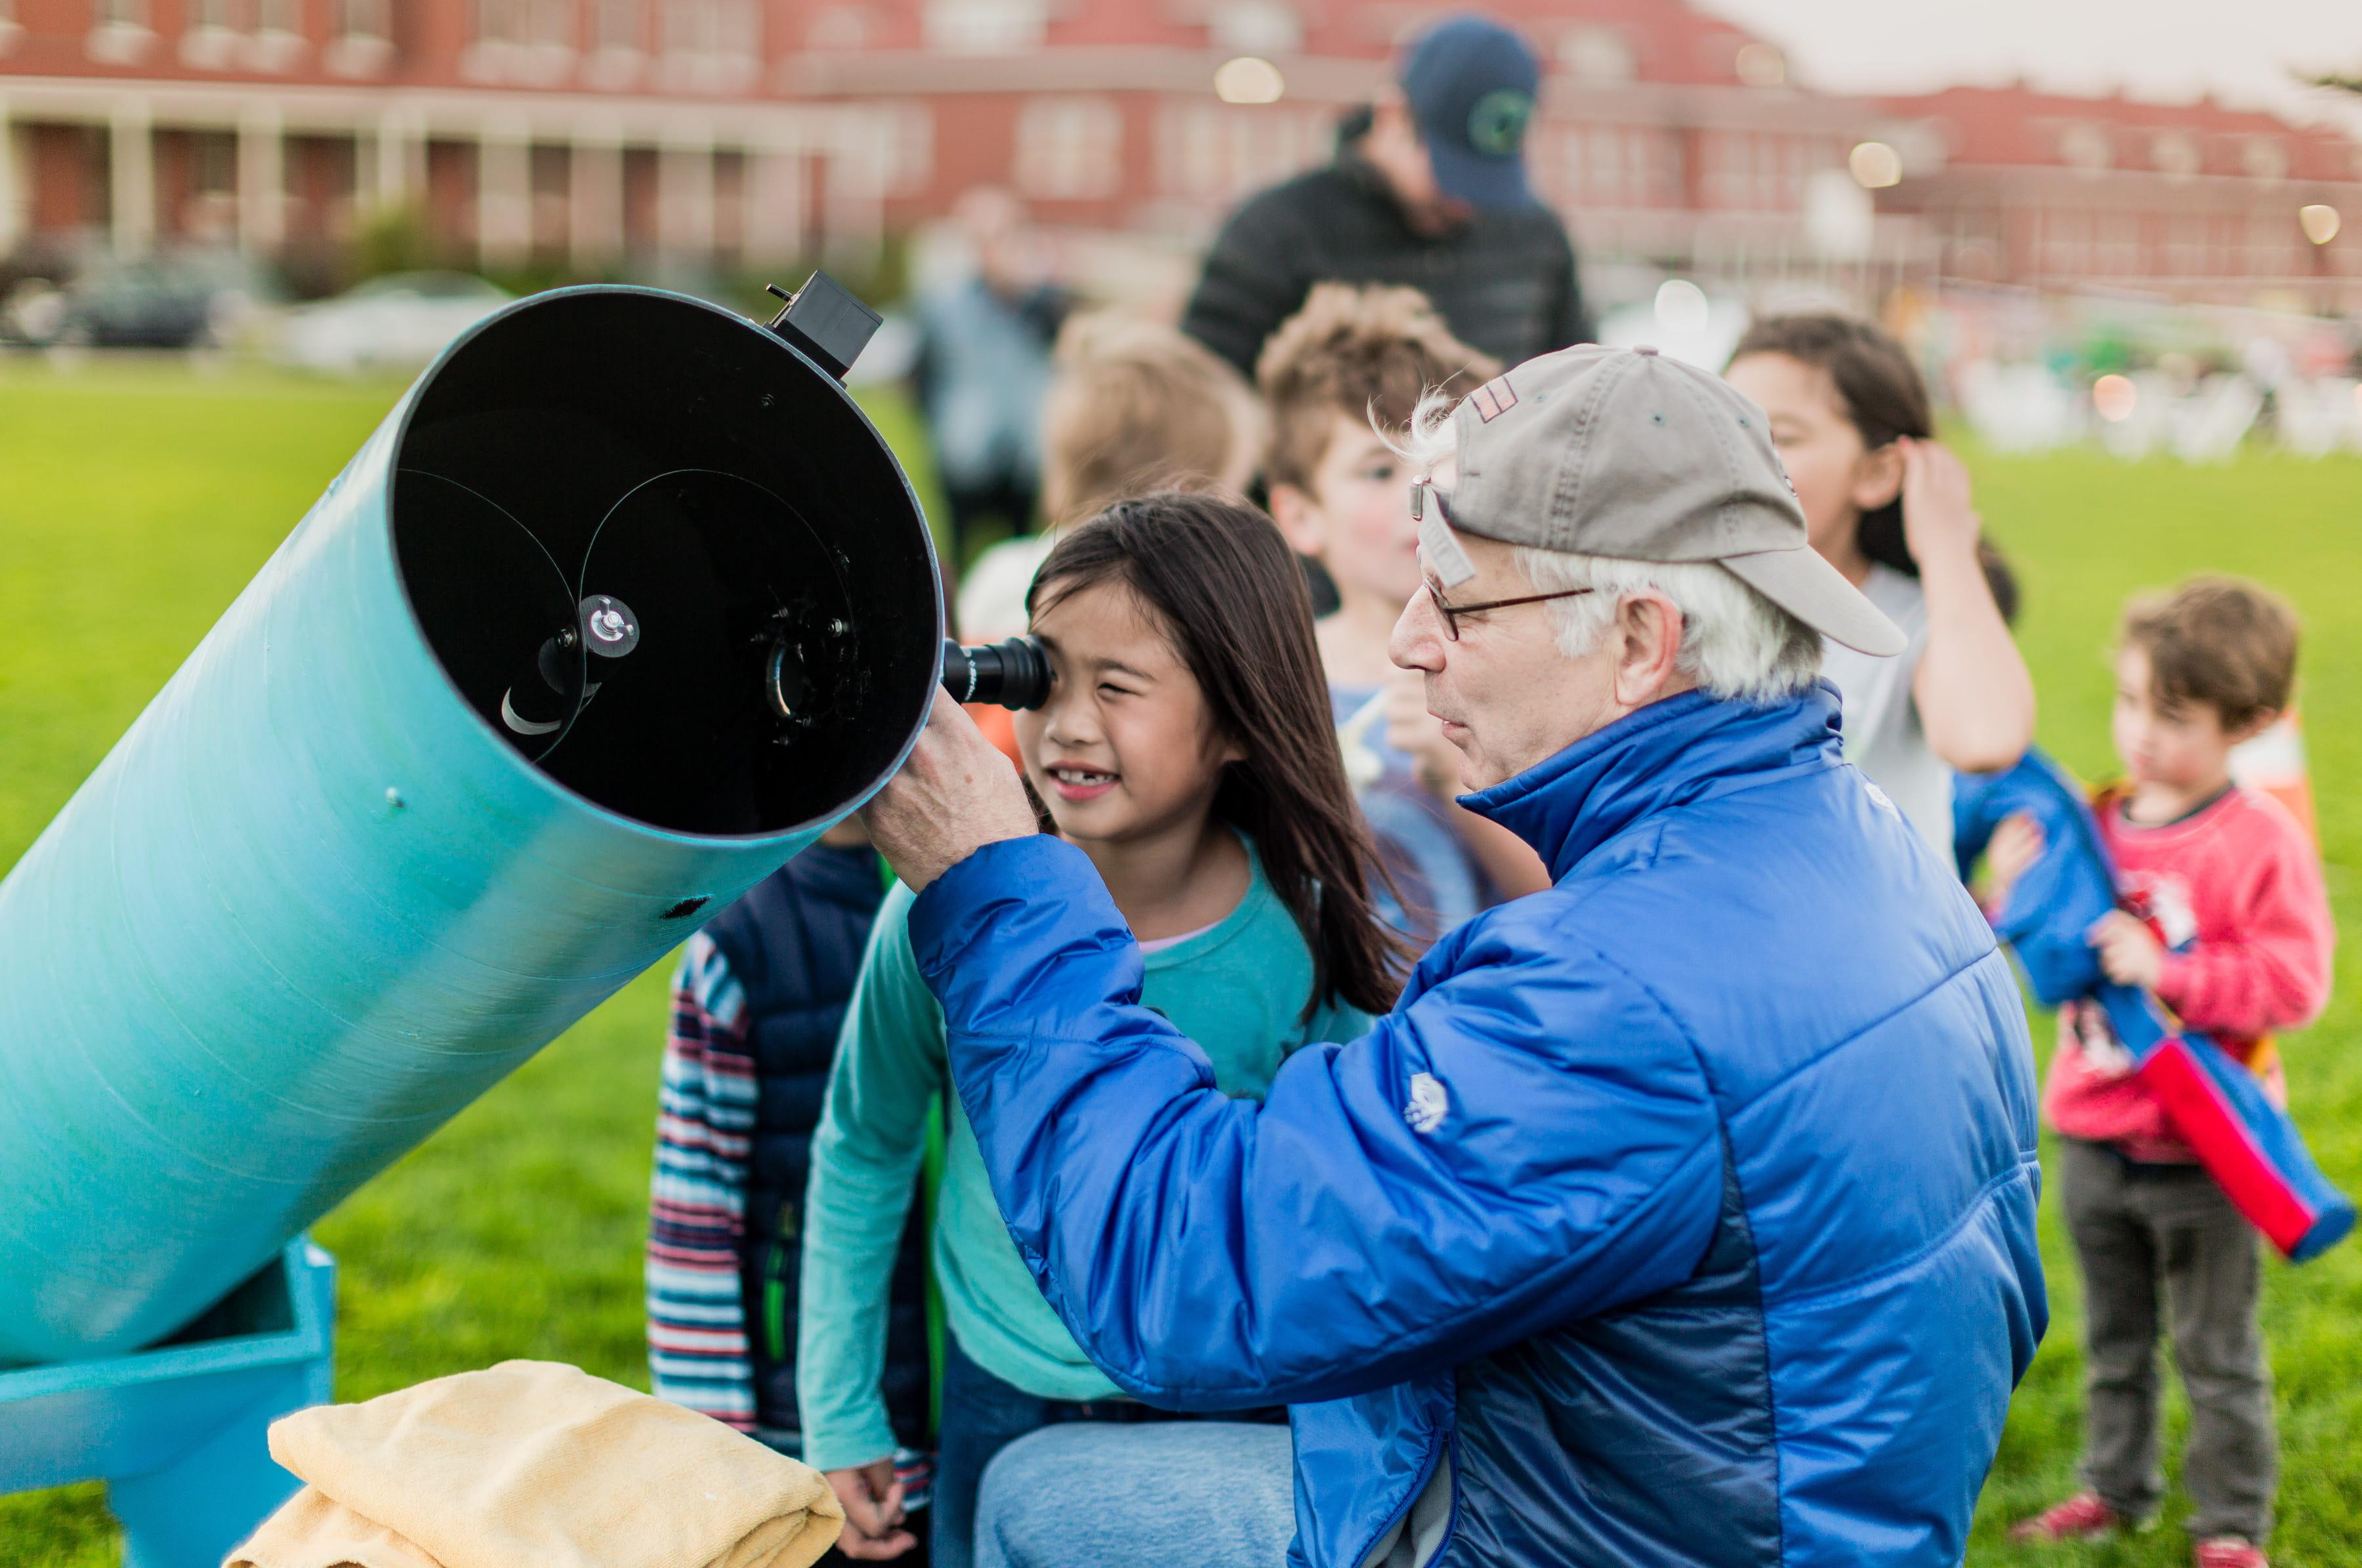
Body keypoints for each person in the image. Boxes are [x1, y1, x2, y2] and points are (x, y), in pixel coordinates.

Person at [858, 342, 2047, 1567]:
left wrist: (995, 887)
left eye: (1462, 602)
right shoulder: (1885, 857)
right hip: (1756, 1506)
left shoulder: (1613, 999)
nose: (1412, 644)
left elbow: (1185, 1272)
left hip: (1595, 1530)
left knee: (1031, 1496)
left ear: (1641, 639)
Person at [798, 495, 1396, 1567]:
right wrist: (840, 1410)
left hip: (1223, 1403)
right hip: (1002, 1389)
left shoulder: (1301, 940)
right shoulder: (950, 907)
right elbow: (865, 1143)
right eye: (1043, 675)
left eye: (1117, 688)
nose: (1067, 723)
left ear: (1238, 721)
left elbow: (1347, 1213)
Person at [1998, 579, 2330, 1568]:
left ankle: (2230, 1526)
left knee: (2217, 1355)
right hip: (2094, 1137)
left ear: (2252, 725)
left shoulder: (2259, 840)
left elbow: (2296, 983)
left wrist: (2171, 969)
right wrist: (2011, 895)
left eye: (2174, 718)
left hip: (2207, 1152)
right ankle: (2115, 1490)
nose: (2140, 733)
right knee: (2114, 1343)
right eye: (2133, 701)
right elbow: (2043, 959)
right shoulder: (2095, 817)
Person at [644, 819, 934, 1506]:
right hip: (798, 1436)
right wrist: (712, 1450)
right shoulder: (737, 942)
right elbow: (694, 1209)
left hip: (963, 1413)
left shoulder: (978, 906)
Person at [1258, 282, 1547, 939]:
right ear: (1300, 515)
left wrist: (1457, 778)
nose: (1416, 496)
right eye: (1377, 472)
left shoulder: (1526, 677)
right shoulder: (1276, 686)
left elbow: (1560, 894)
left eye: (1439, 466)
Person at [1725, 312, 2035, 861]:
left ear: (1877, 473)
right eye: (1726, 429)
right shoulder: (1673, 611)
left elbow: (1985, 738)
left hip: (1882, 942)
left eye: (1783, 436)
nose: (1740, 457)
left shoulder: (1905, 616)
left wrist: (1944, 546)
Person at [1181, 14, 1588, 384]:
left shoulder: (1538, 236)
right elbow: (1209, 405)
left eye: (1488, 178)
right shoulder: (1275, 233)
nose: (1469, 200)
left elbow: (1573, 382)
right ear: (1392, 116)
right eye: (1451, 172)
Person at [953, 312, 1262, 647]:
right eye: (1233, 491)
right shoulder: (1187, 613)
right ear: (1183, 498)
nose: (1238, 508)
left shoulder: (999, 574)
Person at [911, 188, 1073, 567]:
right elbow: (925, 373)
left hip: (1024, 453)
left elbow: (1062, 348)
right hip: (965, 450)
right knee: (959, 548)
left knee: (1025, 553)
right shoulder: (945, 303)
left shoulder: (1040, 300)